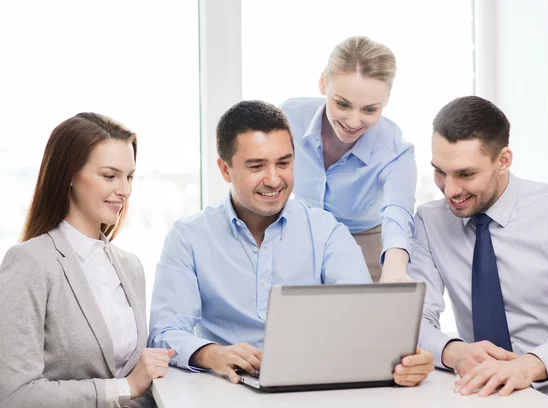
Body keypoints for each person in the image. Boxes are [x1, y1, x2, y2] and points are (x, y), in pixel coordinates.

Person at [148, 100, 433, 387]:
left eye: (284, 163)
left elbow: (366, 326)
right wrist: (212, 354)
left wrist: (405, 362)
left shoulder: (328, 232)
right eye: (257, 166)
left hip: (313, 387)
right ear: (225, 170)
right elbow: (165, 331)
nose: (274, 179)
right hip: (223, 388)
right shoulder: (188, 237)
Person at [409, 95, 548, 406]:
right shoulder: (431, 221)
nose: (450, 189)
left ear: (503, 160)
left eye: (466, 174)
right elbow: (415, 319)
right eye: (440, 171)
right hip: (484, 394)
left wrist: (529, 366)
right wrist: (452, 351)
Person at [0, 113, 173, 407]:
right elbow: (15, 394)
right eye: (110, 176)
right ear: (68, 175)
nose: (126, 190)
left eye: (129, 176)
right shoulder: (30, 263)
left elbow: (139, 384)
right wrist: (123, 387)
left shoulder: (130, 267)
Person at [280, 36, 416, 283]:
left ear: (386, 100)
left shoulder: (395, 150)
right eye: (342, 104)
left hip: (365, 245)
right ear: (323, 84)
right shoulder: (289, 118)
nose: (353, 122)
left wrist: (395, 269)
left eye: (369, 109)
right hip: (302, 238)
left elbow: (398, 211)